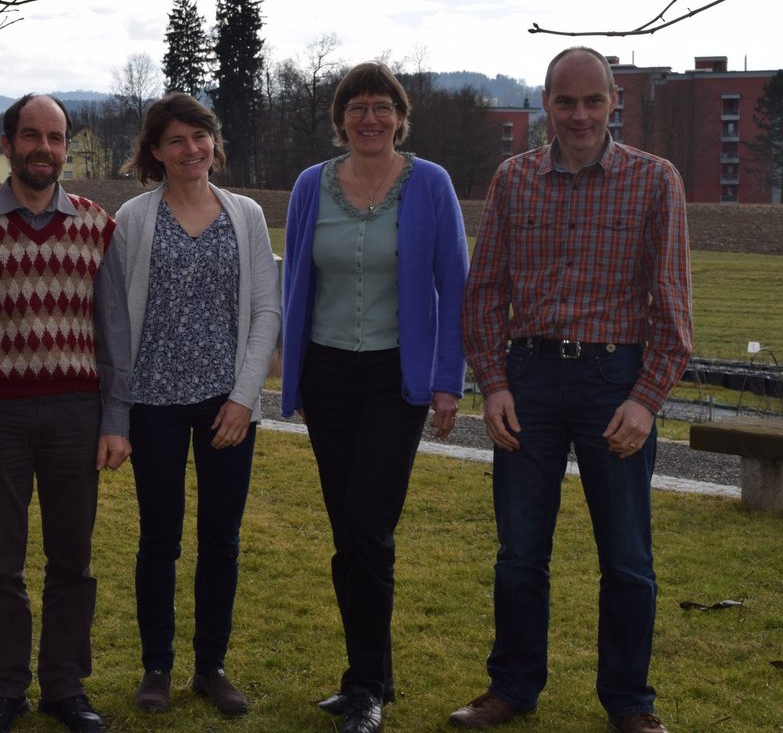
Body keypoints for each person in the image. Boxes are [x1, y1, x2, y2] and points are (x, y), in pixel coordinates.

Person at [450, 47, 692, 733]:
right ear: (546, 104)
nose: (579, 115)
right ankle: (513, 688)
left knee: (627, 556)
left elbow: (673, 310)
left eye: (592, 100)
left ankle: (630, 702)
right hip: (527, 381)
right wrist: (493, 384)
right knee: (520, 551)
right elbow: (484, 294)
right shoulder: (513, 178)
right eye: (565, 101)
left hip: (615, 382)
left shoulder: (654, 180)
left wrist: (646, 399)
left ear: (615, 100)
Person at [0, 93, 132, 733]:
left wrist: (115, 419)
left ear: (66, 146)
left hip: (75, 414)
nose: (45, 148)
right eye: (32, 136)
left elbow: (115, 333)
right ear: (9, 142)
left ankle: (66, 688)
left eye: (56, 137)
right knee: (0, 562)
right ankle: (4, 689)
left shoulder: (98, 225)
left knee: (73, 560)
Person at [281, 62, 468, 733]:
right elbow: (296, 281)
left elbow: (457, 283)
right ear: (341, 118)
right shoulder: (311, 186)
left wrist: (448, 381)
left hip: (398, 380)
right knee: (347, 532)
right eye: (357, 107)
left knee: (367, 526)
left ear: (399, 116)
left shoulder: (432, 185)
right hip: (328, 380)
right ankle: (372, 672)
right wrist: (293, 376)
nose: (369, 118)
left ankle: (365, 689)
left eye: (381, 107)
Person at [111, 93, 280, 717]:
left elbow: (267, 308)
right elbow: (115, 317)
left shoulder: (246, 215)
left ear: (215, 143)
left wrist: (244, 398)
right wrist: (118, 404)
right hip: (151, 402)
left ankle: (211, 666)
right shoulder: (132, 217)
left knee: (221, 541)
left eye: (200, 137)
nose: (191, 149)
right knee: (159, 539)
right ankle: (156, 666)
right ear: (155, 150)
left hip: (224, 407)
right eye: (177, 140)